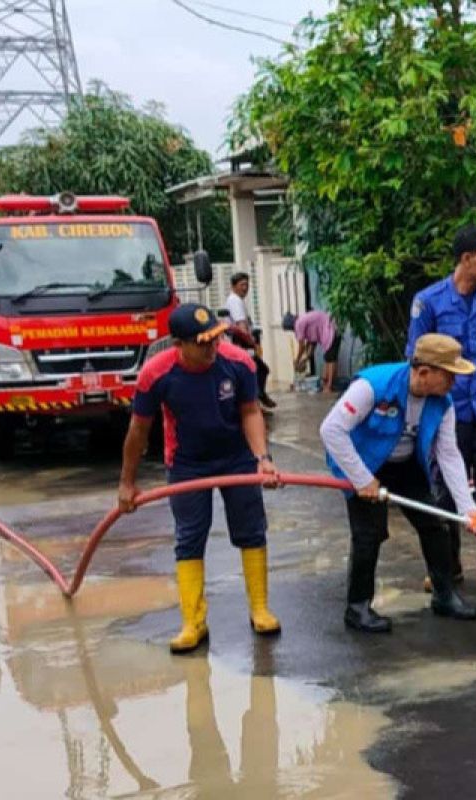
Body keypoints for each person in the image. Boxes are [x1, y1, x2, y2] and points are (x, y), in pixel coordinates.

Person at [118, 303, 281, 654]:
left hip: (236, 457)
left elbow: (251, 411)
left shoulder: (238, 362)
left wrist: (262, 460)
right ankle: (193, 621)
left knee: (251, 528)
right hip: (187, 462)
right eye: (203, 343)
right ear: (180, 344)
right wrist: (127, 483)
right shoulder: (156, 374)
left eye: (216, 339)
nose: (212, 348)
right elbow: (138, 431)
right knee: (189, 536)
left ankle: (260, 608)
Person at [320, 333, 476, 633]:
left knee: (435, 523)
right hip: (365, 464)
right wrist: (362, 479)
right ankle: (357, 608)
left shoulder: (442, 403)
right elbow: (331, 430)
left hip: (406, 465)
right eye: (449, 376)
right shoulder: (372, 387)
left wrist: (467, 508)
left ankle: (444, 595)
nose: (453, 383)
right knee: (368, 535)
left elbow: (448, 455)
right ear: (424, 372)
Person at [407, 224, 476, 599]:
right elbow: (416, 361)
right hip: (447, 409)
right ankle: (447, 566)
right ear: (466, 259)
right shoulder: (429, 302)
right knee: (446, 489)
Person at [225, 272, 276, 409]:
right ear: (233, 286)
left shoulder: (236, 300)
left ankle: (258, 401)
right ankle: (257, 401)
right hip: (242, 345)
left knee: (257, 372)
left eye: (247, 285)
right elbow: (242, 328)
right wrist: (253, 343)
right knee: (258, 371)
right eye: (242, 285)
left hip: (242, 344)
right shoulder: (235, 301)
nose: (245, 288)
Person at [286, 309, 340, 393]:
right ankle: (330, 384)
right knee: (329, 357)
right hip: (333, 329)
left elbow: (302, 346)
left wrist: (297, 360)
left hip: (330, 330)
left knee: (330, 358)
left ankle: (329, 386)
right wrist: (306, 358)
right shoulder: (304, 321)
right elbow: (312, 343)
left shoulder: (298, 324)